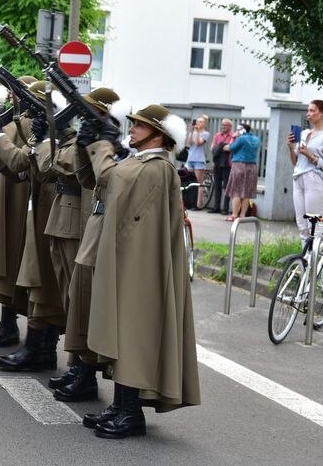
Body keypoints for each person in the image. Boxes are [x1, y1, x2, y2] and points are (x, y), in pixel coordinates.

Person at [79, 104, 200, 439]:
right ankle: (121, 405)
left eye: (139, 126)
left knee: (133, 334)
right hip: (129, 258)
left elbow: (112, 179)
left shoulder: (157, 167)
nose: (131, 129)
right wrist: (93, 145)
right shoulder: (141, 162)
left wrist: (102, 145)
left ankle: (131, 414)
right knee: (122, 330)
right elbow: (103, 181)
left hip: (140, 264)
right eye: (131, 124)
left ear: (159, 134)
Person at [287, 99, 323, 247]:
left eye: (312, 110)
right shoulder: (304, 133)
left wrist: (310, 155)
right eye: (308, 110)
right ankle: (306, 263)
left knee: (313, 226)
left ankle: (315, 266)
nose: (309, 113)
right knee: (302, 226)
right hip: (299, 178)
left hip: (315, 181)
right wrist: (290, 147)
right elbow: (295, 162)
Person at [223, 123, 260, 221]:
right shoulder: (256, 139)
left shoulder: (241, 138)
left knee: (236, 191)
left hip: (239, 165)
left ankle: (234, 215)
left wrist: (234, 138)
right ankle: (242, 215)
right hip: (252, 167)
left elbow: (230, 148)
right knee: (246, 192)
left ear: (241, 130)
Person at [208, 118, 235, 214]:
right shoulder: (217, 135)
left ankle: (225, 208)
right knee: (217, 185)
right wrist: (222, 146)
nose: (223, 127)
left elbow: (230, 148)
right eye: (222, 125)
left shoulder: (233, 136)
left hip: (228, 164)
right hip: (217, 164)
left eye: (225, 125)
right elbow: (212, 148)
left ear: (230, 126)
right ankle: (216, 207)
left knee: (226, 186)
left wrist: (219, 147)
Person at [185, 115, 210, 209]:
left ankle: (198, 204)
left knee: (199, 183)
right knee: (189, 182)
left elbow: (199, 143)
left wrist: (199, 132)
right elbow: (189, 143)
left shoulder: (205, 133)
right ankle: (189, 201)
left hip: (199, 160)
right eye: (197, 121)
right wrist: (191, 131)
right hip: (190, 159)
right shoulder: (193, 132)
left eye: (201, 122)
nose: (198, 123)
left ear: (204, 124)